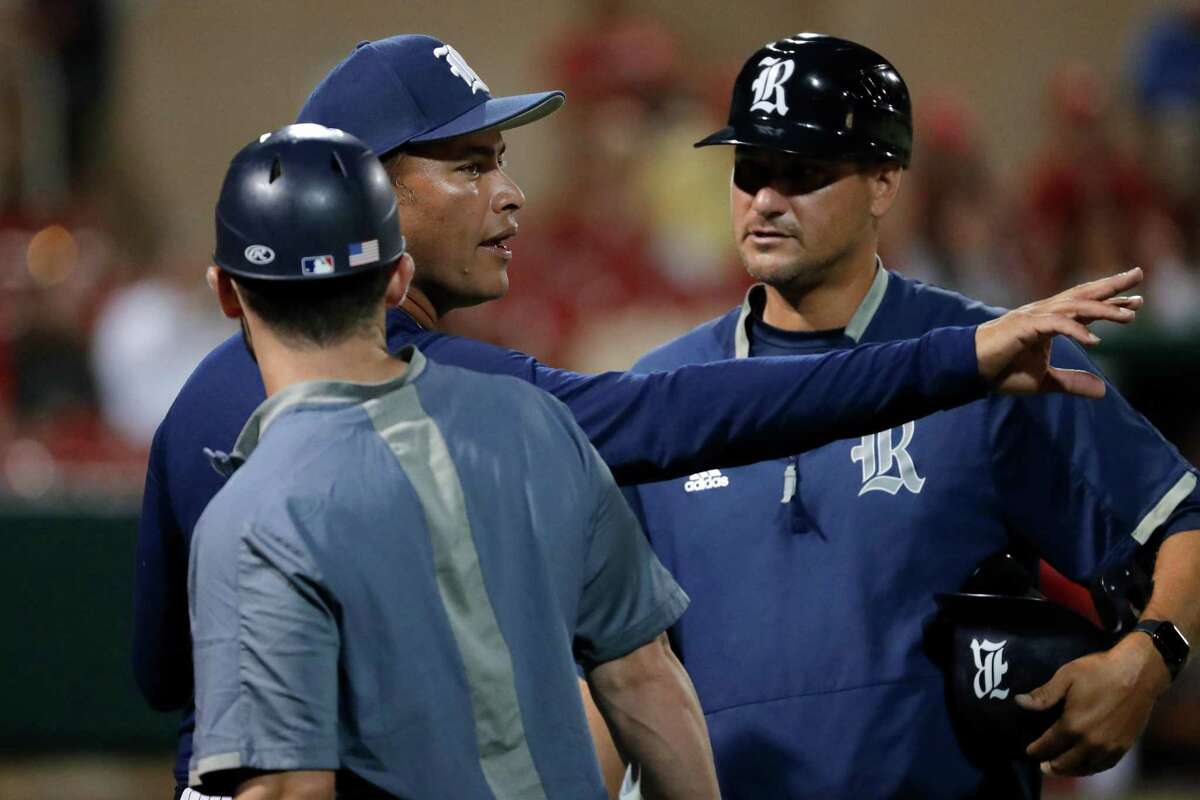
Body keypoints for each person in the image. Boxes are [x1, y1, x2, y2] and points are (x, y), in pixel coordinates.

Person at [134, 34, 1142, 798]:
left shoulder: (202, 420)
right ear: (372, 206)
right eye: (475, 163)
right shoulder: (507, 415)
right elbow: (671, 445)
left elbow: (169, 678)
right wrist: (955, 358)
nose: (512, 192)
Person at [625, 33, 1200, 799]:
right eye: (750, 170)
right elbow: (604, 663)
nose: (765, 199)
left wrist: (1151, 654)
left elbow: (1182, 517)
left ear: (884, 181)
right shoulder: (661, 393)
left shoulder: (996, 357)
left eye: (802, 172)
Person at [189, 123, 719, 799]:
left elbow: (291, 788)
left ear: (227, 292)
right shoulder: (535, 422)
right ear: (397, 276)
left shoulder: (256, 511)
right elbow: (646, 681)